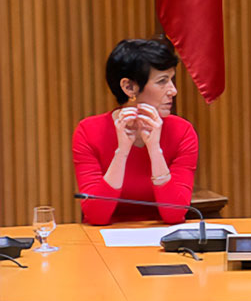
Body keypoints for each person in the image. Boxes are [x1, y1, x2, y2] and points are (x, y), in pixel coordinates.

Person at [72, 38, 198, 225]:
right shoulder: (88, 132)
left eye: (171, 80)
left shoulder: (182, 132)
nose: (173, 91)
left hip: (162, 239)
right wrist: (122, 152)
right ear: (129, 87)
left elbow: (175, 215)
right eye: (162, 81)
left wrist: (155, 150)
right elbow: (96, 216)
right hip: (103, 242)